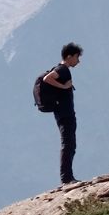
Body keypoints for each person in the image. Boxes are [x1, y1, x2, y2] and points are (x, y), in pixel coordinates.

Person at [43, 43, 83, 186]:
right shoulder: (62, 69)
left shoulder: (62, 69)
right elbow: (47, 78)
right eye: (77, 57)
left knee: (69, 144)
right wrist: (64, 86)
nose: (78, 61)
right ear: (69, 56)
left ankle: (67, 176)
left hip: (63, 113)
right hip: (65, 114)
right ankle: (66, 178)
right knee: (68, 144)